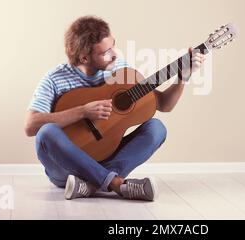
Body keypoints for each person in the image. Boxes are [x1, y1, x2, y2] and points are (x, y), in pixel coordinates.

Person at [24, 16, 205, 201]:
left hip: (105, 159)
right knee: (46, 132)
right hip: (65, 169)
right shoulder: (54, 78)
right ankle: (116, 184)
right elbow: (31, 126)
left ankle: (93, 184)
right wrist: (83, 111)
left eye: (113, 46)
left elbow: (164, 105)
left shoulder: (120, 71)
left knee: (157, 128)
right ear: (84, 57)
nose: (115, 55)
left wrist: (183, 78)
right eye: (106, 52)